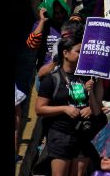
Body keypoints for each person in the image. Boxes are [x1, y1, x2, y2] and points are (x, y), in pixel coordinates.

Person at [35, 34, 103, 176]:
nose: (82, 54)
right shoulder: (52, 79)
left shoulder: (86, 77)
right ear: (65, 53)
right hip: (60, 136)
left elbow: (98, 107)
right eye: (78, 51)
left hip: (83, 135)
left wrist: (90, 107)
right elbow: (39, 109)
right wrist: (64, 109)